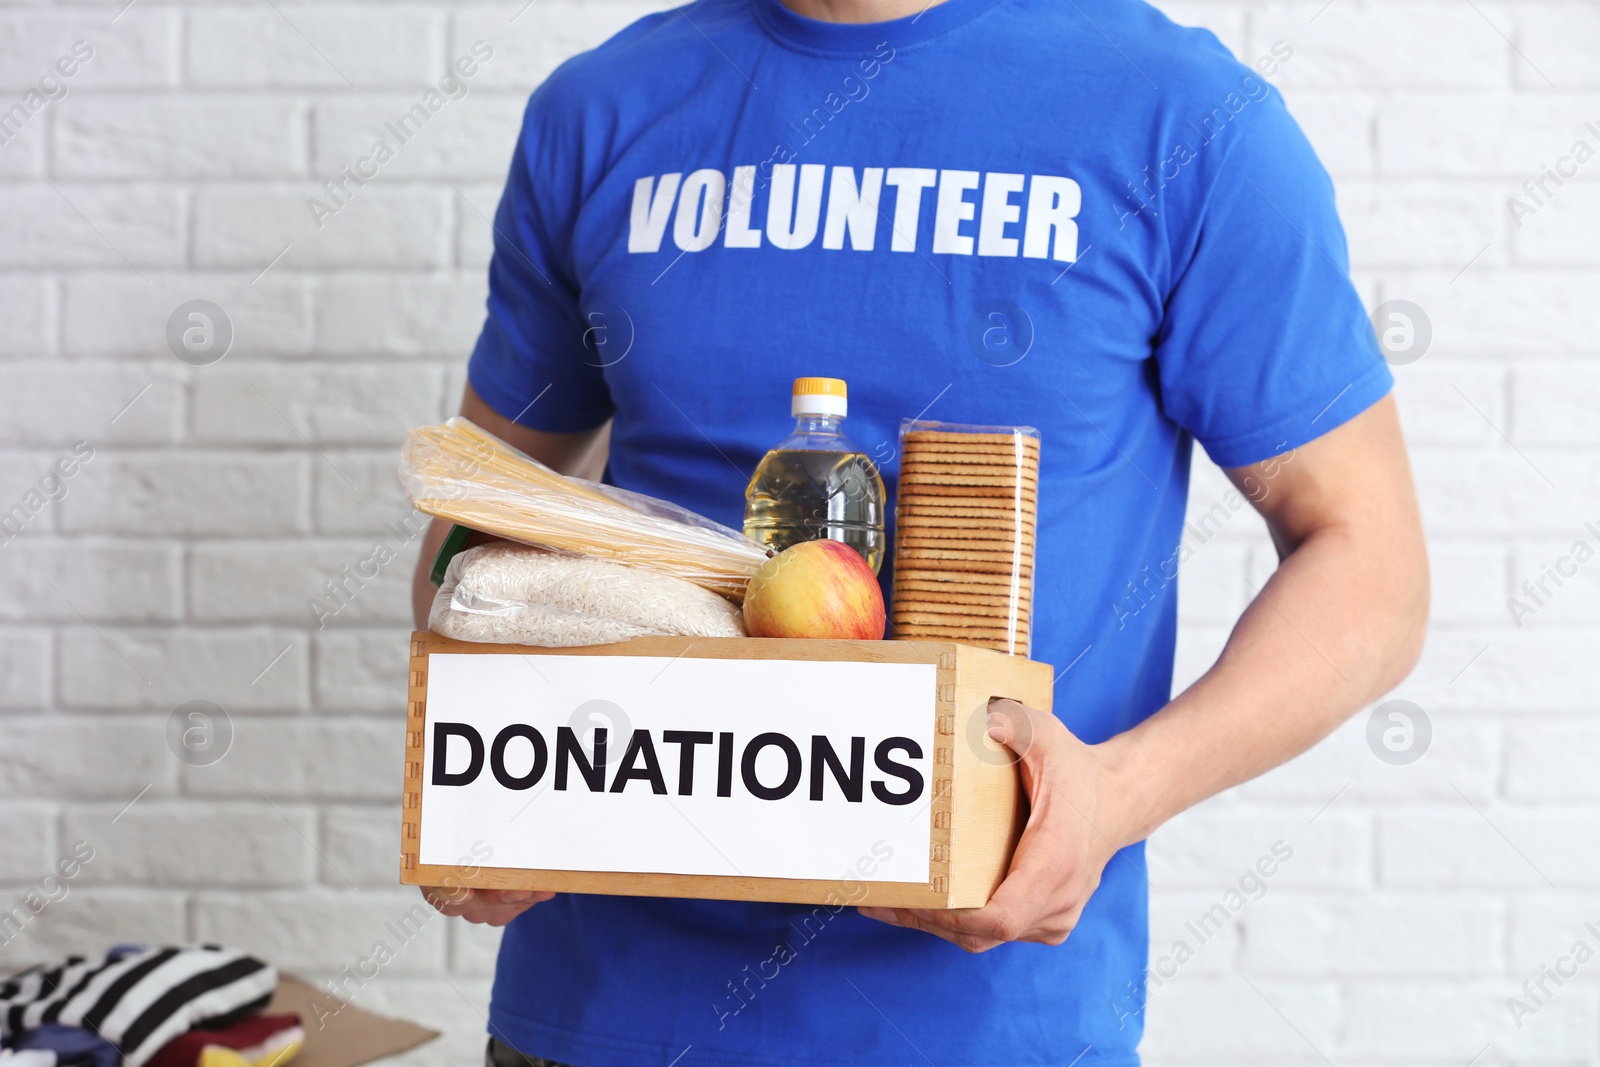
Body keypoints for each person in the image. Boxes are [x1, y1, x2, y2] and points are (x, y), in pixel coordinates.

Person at [409, 0, 1430, 1059]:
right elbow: (468, 544)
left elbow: (1371, 567)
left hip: (986, 1021)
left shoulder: (1182, 117)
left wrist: (1117, 795)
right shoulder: (601, 108)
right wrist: (483, 763)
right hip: (602, 1014)